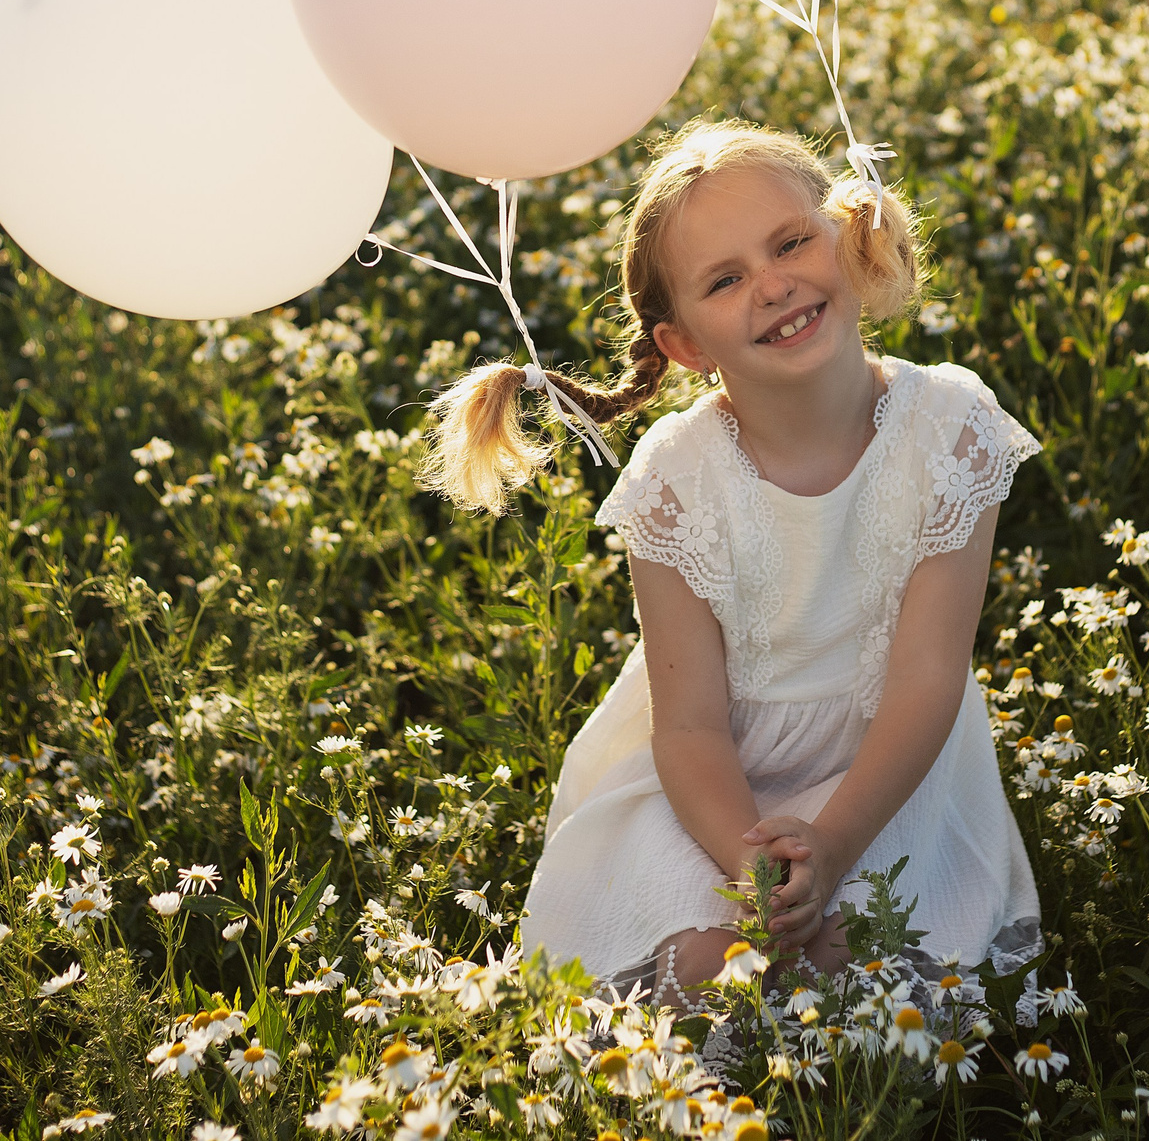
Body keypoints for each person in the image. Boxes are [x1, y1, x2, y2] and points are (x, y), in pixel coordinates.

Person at [416, 116, 1045, 1023]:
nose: (774, 284)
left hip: (885, 768)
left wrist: (829, 844)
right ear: (685, 345)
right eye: (725, 279)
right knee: (715, 960)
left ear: (848, 232)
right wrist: (755, 865)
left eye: (791, 241)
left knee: (856, 953)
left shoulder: (946, 426)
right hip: (716, 785)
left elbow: (926, 678)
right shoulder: (676, 477)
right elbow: (692, 730)